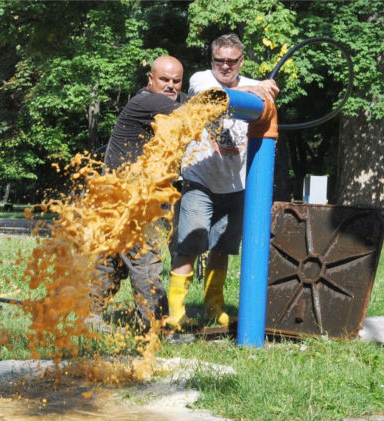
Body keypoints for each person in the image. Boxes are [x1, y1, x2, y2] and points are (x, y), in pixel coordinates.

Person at [166, 33, 279, 331]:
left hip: (235, 185)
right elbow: (217, 98)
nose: (225, 66)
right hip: (199, 180)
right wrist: (257, 89)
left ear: (241, 61)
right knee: (190, 244)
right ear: (212, 60)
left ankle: (213, 309)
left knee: (222, 249)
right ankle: (175, 312)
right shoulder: (202, 80)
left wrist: (259, 90)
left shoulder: (252, 84)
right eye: (220, 60)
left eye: (231, 61)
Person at [90, 55, 189, 332]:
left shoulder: (168, 102)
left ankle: (90, 315)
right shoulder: (148, 101)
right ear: (151, 80)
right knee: (145, 259)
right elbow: (194, 110)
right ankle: (156, 330)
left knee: (112, 259)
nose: (171, 86)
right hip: (126, 198)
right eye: (164, 80)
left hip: (118, 196)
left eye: (176, 81)